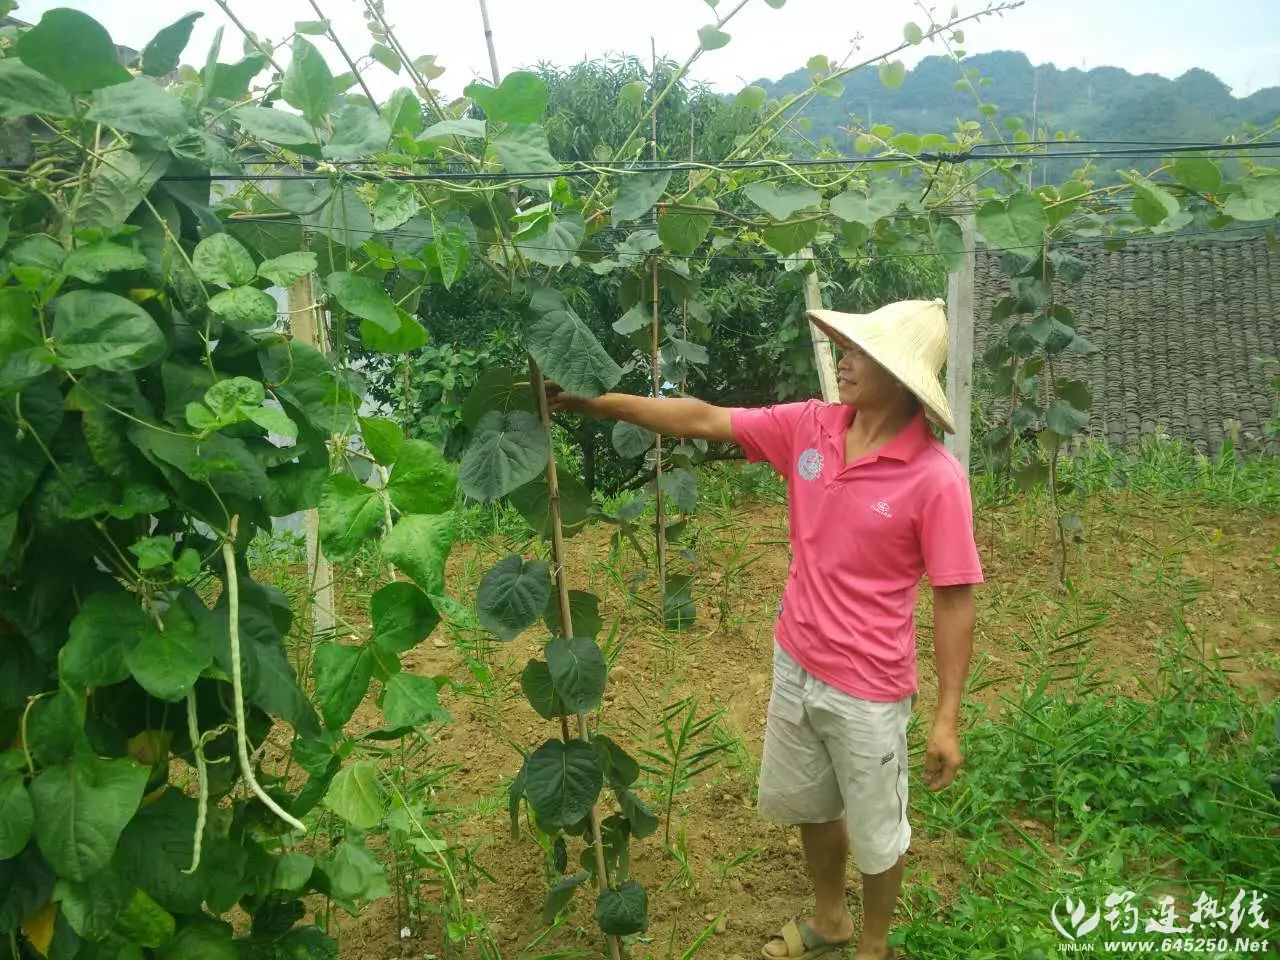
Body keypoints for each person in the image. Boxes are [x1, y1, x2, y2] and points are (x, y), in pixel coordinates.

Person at [547, 298, 982, 960]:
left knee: (877, 834)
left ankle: (873, 945)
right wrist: (598, 402)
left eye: (860, 352)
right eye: (845, 348)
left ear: (899, 375)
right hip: (796, 659)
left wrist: (947, 716)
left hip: (869, 688)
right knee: (812, 805)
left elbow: (955, 599)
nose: (844, 360)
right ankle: (831, 921)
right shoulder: (810, 428)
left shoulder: (934, 479)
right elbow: (703, 418)